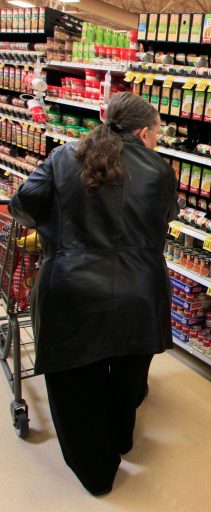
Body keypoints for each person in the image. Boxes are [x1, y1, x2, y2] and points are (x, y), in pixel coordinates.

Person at [9, 92, 178, 495]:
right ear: (143, 131)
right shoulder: (160, 170)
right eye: (157, 133)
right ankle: (120, 440)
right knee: (127, 376)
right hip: (139, 289)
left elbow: (23, 206)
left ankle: (96, 471)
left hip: (72, 290)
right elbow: (166, 217)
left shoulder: (64, 157)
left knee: (74, 385)